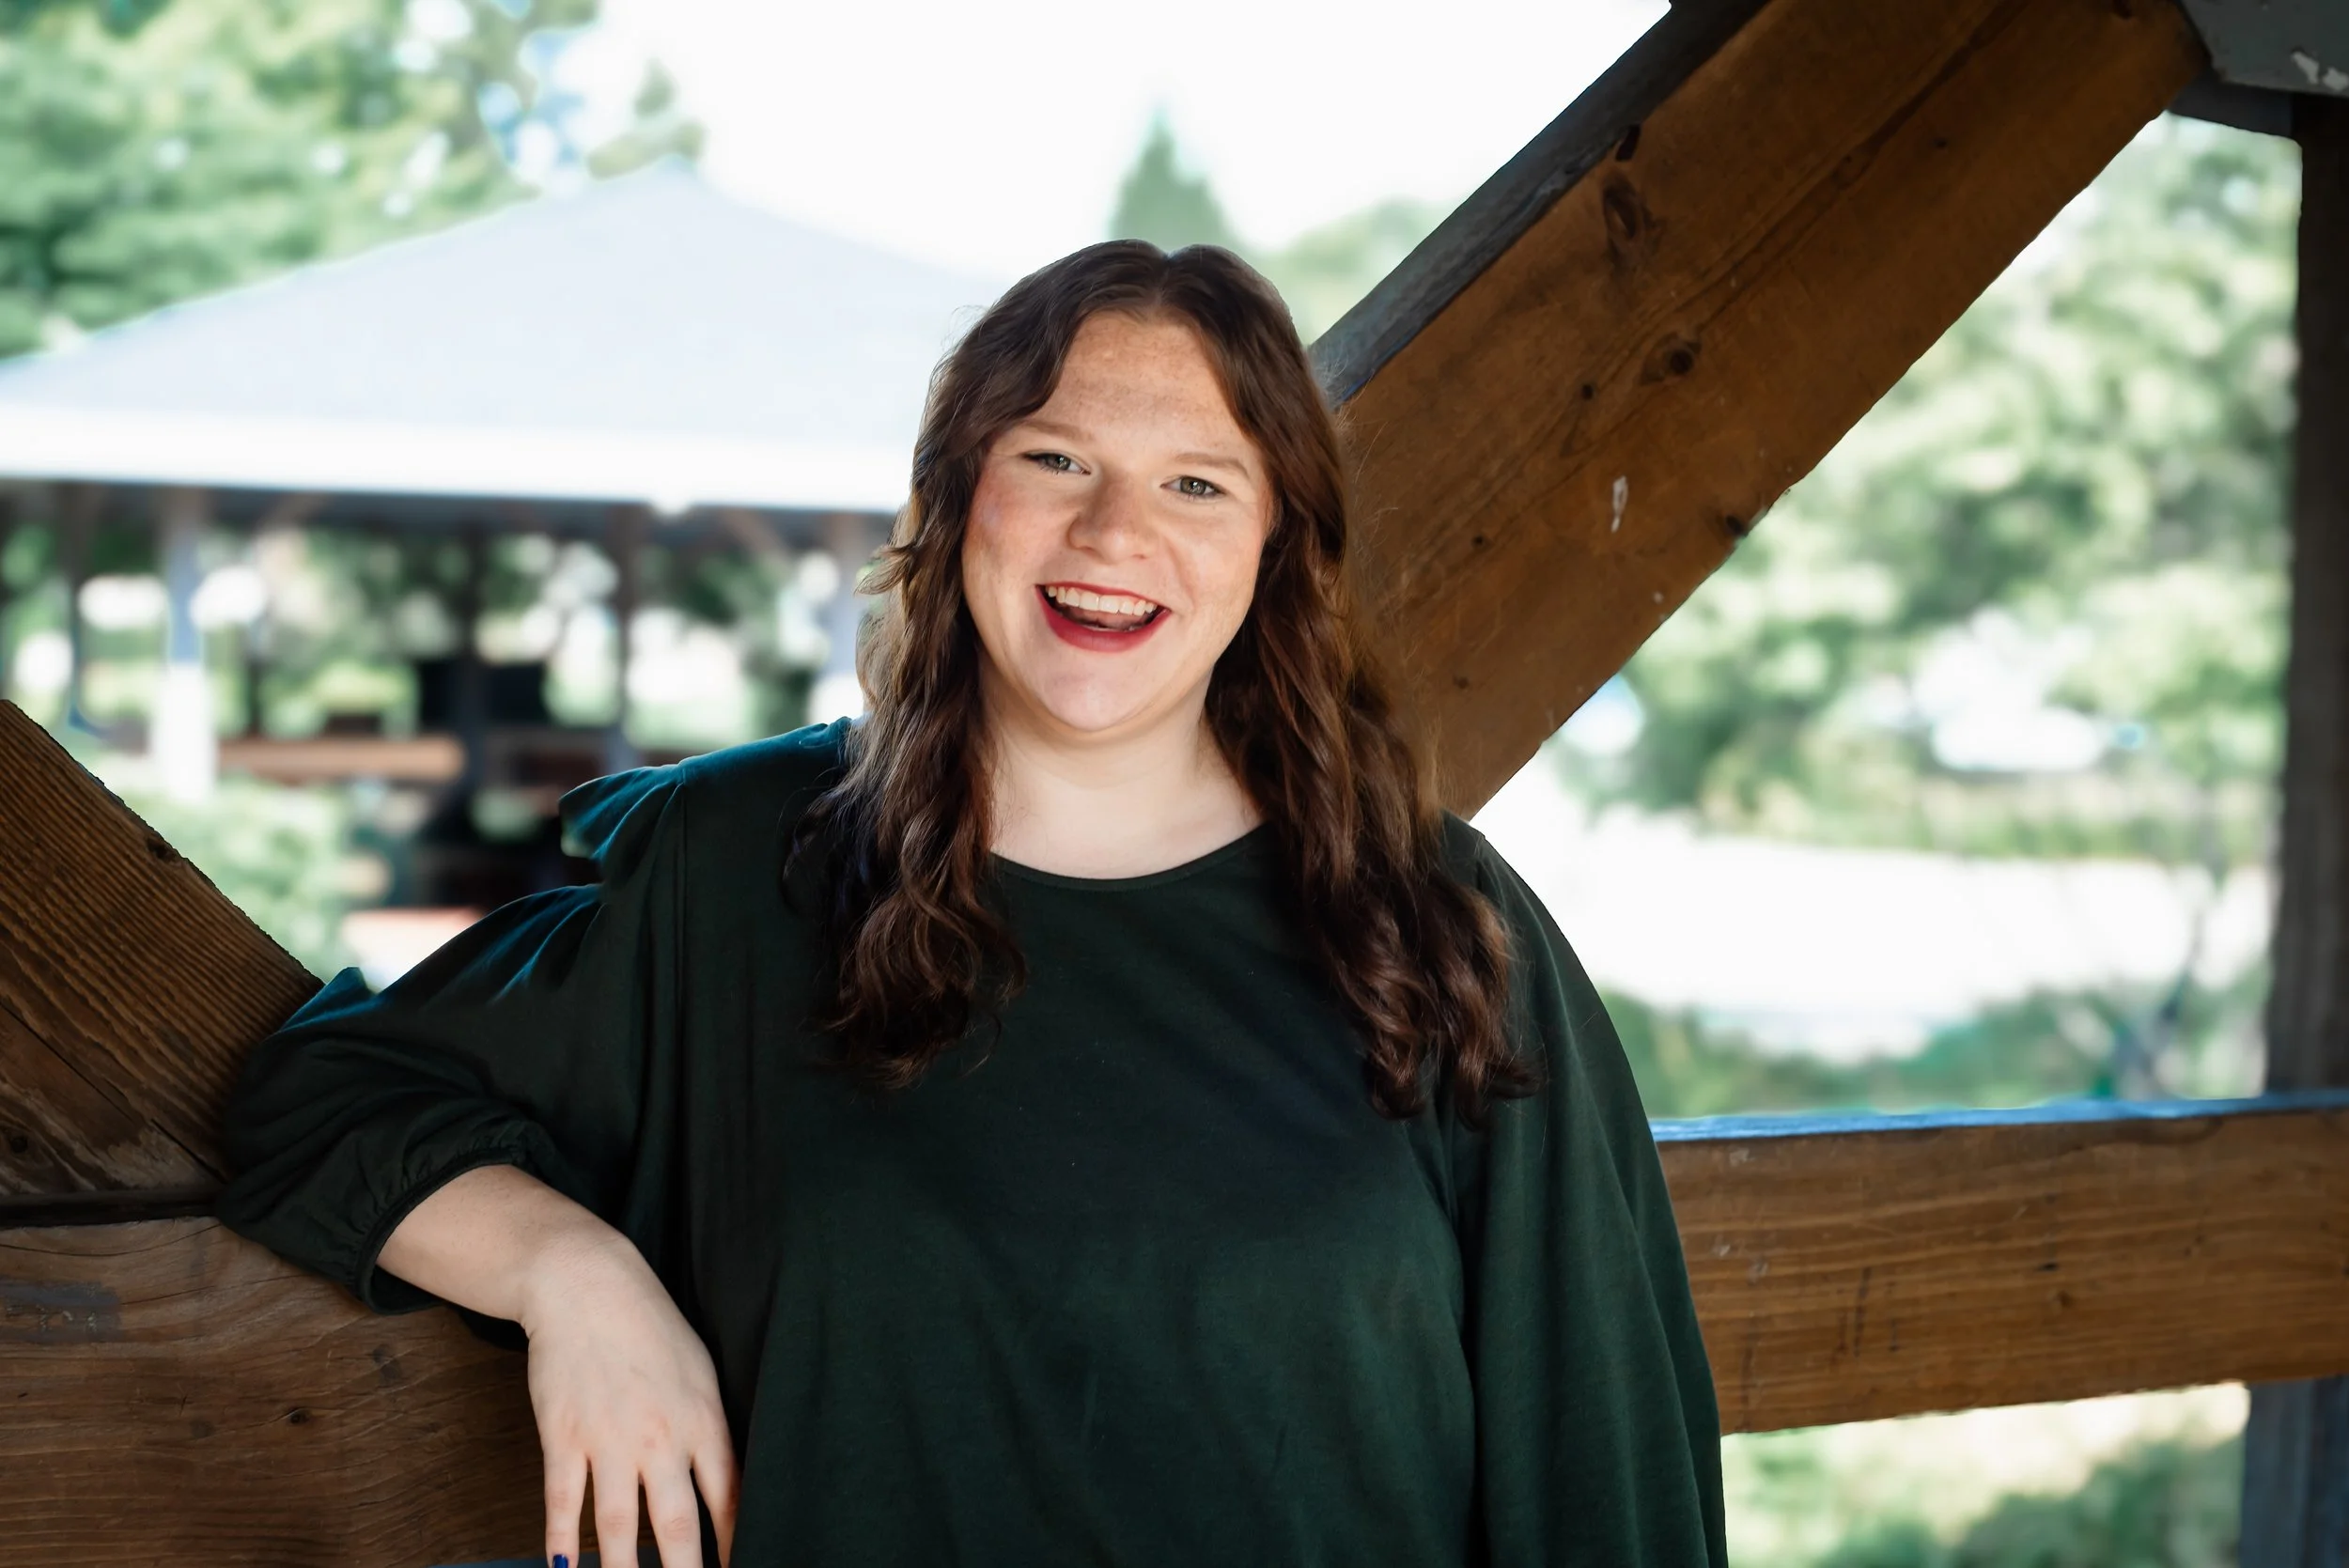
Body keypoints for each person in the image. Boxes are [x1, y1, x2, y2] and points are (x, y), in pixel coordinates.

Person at [217, 241, 1725, 1568]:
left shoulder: (1429, 919)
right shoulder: (741, 866)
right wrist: (575, 1279)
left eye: (1197, 484)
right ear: (959, 499)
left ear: (1272, 553)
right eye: (1057, 460)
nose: (1114, 533)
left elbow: (1603, 1462)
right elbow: (326, 1095)